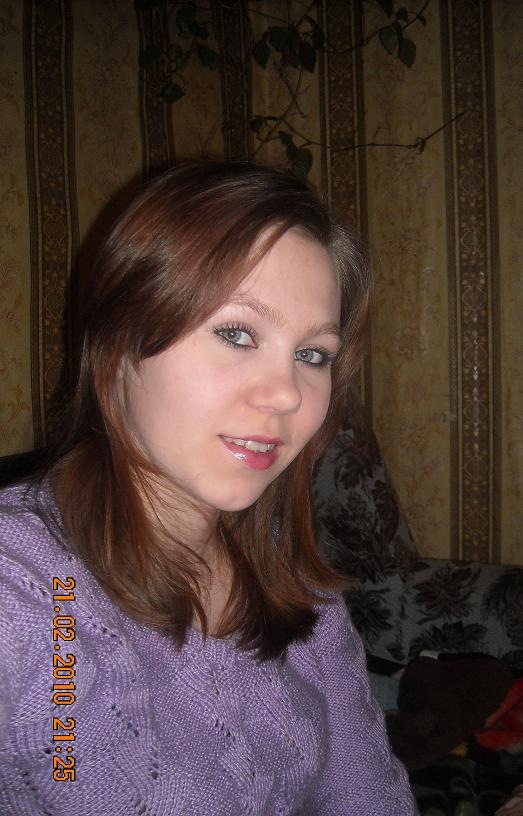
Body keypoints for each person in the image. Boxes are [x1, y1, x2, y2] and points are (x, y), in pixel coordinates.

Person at [0, 162, 417, 815]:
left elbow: (365, 789)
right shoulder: (25, 598)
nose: (287, 394)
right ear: (117, 346)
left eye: (312, 354)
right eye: (236, 333)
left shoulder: (290, 575)